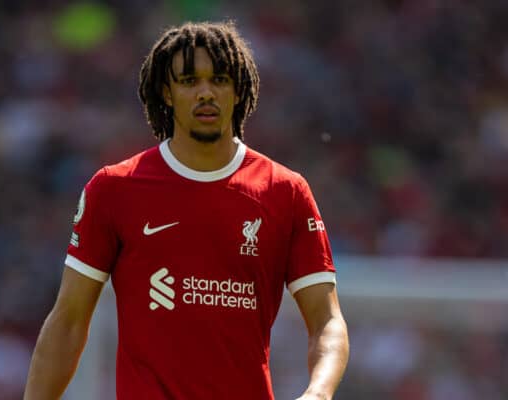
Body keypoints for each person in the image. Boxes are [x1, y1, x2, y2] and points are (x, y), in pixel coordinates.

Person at [24, 21, 349, 400]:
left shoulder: (285, 191)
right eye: (190, 81)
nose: (206, 93)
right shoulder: (115, 188)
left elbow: (327, 320)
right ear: (166, 91)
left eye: (221, 80)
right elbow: (67, 322)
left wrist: (319, 392)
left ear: (238, 89)